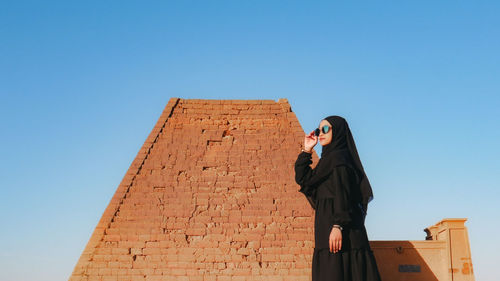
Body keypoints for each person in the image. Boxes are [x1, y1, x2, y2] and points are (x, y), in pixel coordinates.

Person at [294, 115, 382, 281]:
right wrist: (307, 150)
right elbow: (304, 180)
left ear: (339, 132)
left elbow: (344, 195)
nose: (321, 133)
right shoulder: (327, 162)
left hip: (341, 230)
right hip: (328, 229)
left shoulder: (340, 161)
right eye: (319, 129)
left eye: (326, 129)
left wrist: (338, 226)